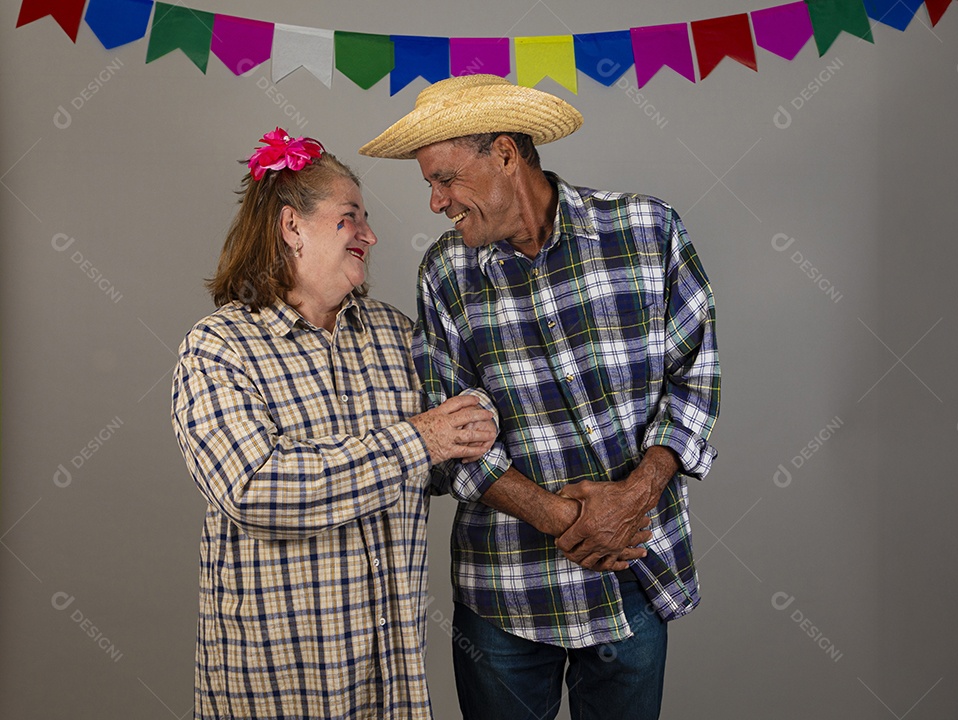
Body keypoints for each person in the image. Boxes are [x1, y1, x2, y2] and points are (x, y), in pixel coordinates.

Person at [359, 75, 722, 720]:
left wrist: (634, 498)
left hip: (632, 570)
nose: (436, 203)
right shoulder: (446, 274)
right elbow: (450, 443)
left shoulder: (647, 230)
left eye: (445, 179)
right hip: (506, 593)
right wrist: (569, 520)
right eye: (430, 186)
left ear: (504, 153)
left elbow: (694, 381)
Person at [171, 128, 496, 720]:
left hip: (390, 679)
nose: (370, 235)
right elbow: (257, 490)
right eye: (350, 219)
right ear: (292, 227)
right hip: (278, 685)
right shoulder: (218, 349)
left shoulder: (396, 336)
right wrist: (419, 439)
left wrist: (474, 425)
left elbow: (443, 459)